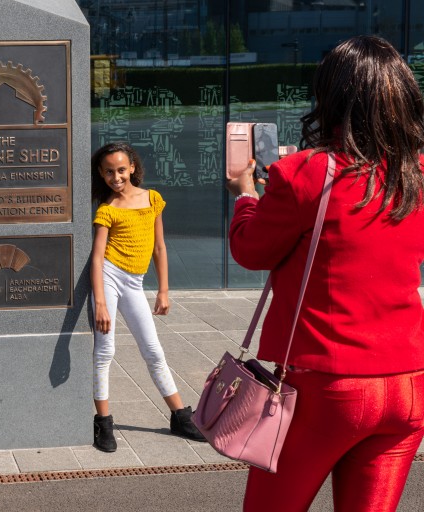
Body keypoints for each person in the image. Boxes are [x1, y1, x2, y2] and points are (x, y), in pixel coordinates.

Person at [227, 35, 424, 511]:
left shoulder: (303, 173)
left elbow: (251, 250)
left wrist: (245, 194)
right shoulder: (415, 171)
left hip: (327, 384)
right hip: (410, 383)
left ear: (330, 95)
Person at [90, 142, 206, 452]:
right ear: (101, 175)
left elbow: (159, 248)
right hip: (109, 279)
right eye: (109, 172)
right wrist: (100, 302)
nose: (117, 177)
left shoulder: (152, 199)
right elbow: (98, 258)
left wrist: (164, 291)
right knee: (105, 351)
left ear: (132, 168)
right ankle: (103, 422)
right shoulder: (107, 210)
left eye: (121, 170)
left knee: (153, 350)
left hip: (135, 282)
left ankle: (180, 416)